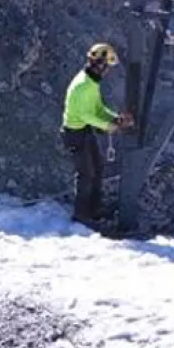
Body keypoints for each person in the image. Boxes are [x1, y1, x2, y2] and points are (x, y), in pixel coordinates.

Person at [63, 43, 132, 228]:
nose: (108, 70)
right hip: (75, 133)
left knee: (98, 168)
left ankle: (95, 208)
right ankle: (81, 214)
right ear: (100, 65)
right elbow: (86, 114)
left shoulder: (91, 82)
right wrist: (109, 126)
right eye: (107, 66)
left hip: (84, 131)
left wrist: (115, 118)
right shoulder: (84, 85)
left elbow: (98, 109)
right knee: (86, 174)